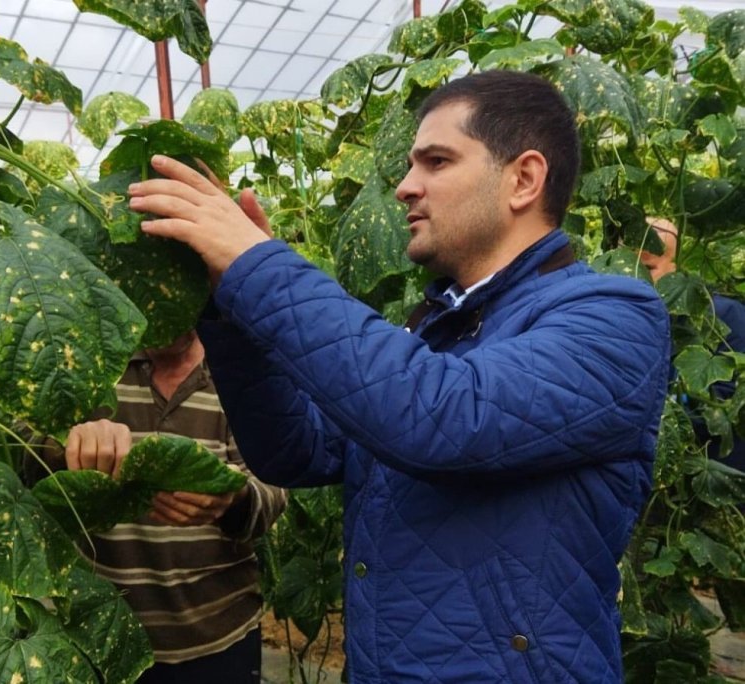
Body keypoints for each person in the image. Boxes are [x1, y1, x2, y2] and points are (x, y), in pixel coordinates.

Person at [128, 70, 671, 682]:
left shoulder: (613, 318)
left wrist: (258, 264)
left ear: (523, 179)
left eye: (436, 161)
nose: (405, 188)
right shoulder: (434, 328)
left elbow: (443, 417)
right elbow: (296, 449)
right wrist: (230, 307)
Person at [35, 330, 287, 684]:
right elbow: (23, 440)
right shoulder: (96, 359)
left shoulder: (238, 370)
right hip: (102, 635)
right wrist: (66, 441)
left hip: (218, 635)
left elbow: (275, 487)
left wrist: (233, 500)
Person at [640, 217, 745, 469]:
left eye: (648, 268)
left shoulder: (721, 316)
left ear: (678, 264)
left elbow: (728, 409)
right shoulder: (620, 321)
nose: (636, 277)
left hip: (718, 473)